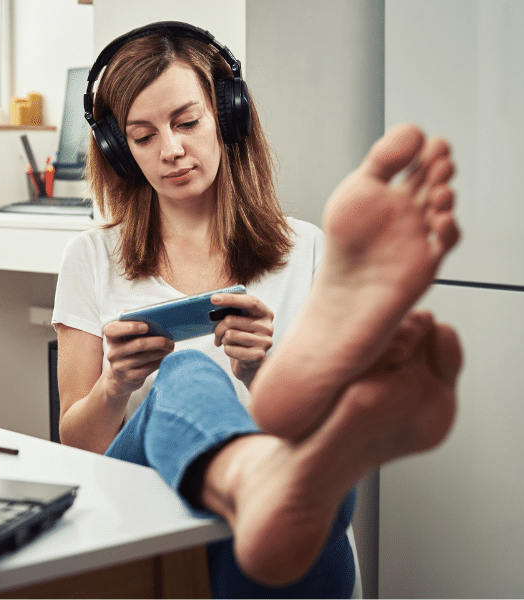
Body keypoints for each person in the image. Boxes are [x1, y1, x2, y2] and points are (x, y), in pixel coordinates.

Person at [52, 22, 461, 598]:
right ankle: (262, 478)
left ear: (229, 114)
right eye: (142, 137)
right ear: (120, 152)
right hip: (142, 519)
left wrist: (262, 371)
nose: (170, 149)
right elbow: (77, 446)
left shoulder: (307, 250)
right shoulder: (91, 258)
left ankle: (269, 482)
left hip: (274, 545)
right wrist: (115, 386)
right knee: (185, 373)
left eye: (187, 122)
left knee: (300, 466)